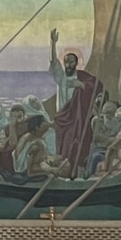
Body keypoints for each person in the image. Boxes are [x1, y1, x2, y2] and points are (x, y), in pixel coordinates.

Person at [49, 28, 103, 174]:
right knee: (63, 145)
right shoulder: (61, 77)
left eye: (71, 62)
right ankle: (64, 169)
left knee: (76, 143)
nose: (68, 64)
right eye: (66, 62)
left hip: (77, 118)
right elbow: (54, 63)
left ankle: (76, 168)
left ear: (76, 63)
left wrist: (83, 86)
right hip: (63, 117)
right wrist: (53, 44)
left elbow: (97, 86)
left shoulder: (82, 77)